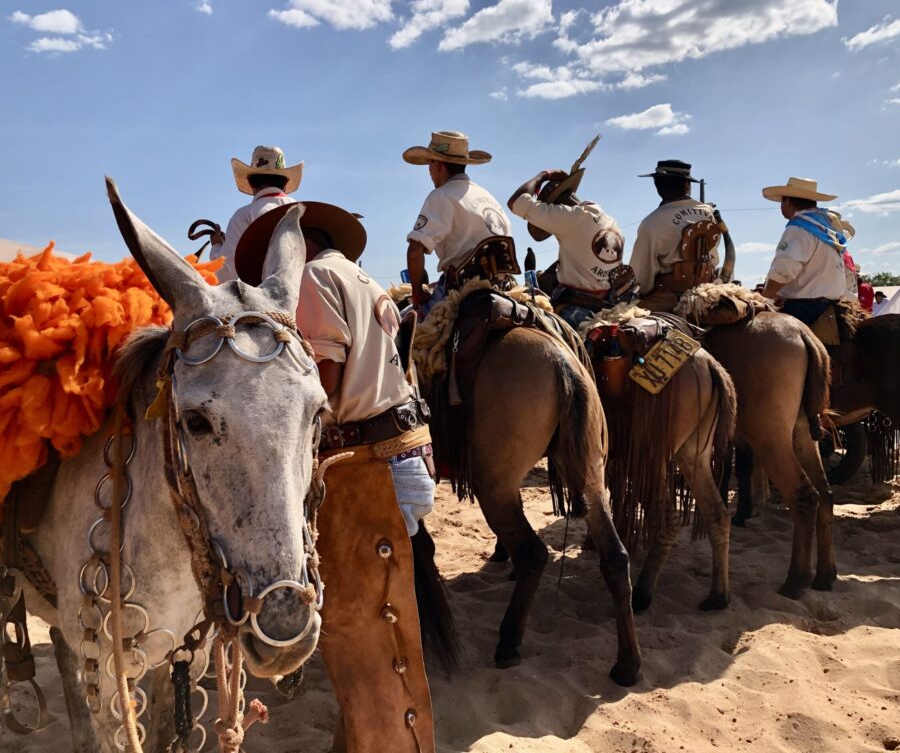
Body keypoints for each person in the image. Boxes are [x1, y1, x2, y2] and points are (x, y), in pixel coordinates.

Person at [234, 202, 438, 750]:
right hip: (404, 452)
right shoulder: (363, 278)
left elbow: (321, 384)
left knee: (360, 635)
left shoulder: (315, 279)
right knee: (377, 626)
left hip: (366, 468)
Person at [403, 130, 511, 316]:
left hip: (460, 291)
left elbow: (415, 252)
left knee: (402, 328)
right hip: (501, 288)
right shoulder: (489, 198)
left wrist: (417, 293)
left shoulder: (441, 196)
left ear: (439, 164)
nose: (428, 170)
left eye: (430, 162)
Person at [507, 168, 632, 328]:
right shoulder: (611, 222)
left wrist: (544, 175)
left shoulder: (571, 218)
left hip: (575, 311)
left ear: (556, 207)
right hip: (604, 306)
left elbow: (516, 202)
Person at [629, 159, 718, 311]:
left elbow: (641, 277)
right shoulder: (709, 213)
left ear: (657, 185)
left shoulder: (651, 223)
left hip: (667, 300)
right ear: (687, 186)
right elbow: (714, 257)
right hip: (708, 293)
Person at [759, 177, 848, 324]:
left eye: (782, 201)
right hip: (831, 303)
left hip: (804, 306)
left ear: (787, 202)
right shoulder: (826, 227)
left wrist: (765, 297)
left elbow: (784, 270)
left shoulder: (798, 228)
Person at [211, 145, 300, 283]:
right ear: (285, 183)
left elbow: (225, 274)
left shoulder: (243, 216)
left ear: (251, 182)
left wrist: (217, 247)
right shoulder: (303, 211)